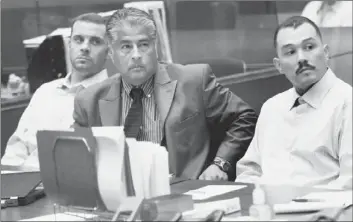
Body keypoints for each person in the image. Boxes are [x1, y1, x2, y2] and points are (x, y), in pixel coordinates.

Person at [72, 7, 257, 181]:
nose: (136, 55)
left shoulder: (193, 80)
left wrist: (220, 164)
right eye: (126, 47)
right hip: (121, 198)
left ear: (156, 48)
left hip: (185, 190)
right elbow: (78, 159)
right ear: (111, 53)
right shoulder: (89, 100)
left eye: (143, 45)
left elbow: (244, 117)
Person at [236, 16, 352, 189]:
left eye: (309, 47)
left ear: (326, 52)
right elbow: (249, 172)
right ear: (278, 65)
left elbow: (348, 183)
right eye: (290, 52)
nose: (301, 58)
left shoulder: (347, 103)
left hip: (321, 212)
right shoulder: (272, 107)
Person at [1, 13, 110, 171]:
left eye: (95, 42)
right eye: (78, 39)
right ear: (70, 44)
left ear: (108, 52)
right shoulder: (45, 92)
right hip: (24, 184)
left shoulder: (114, 96)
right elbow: (15, 151)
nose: (85, 47)